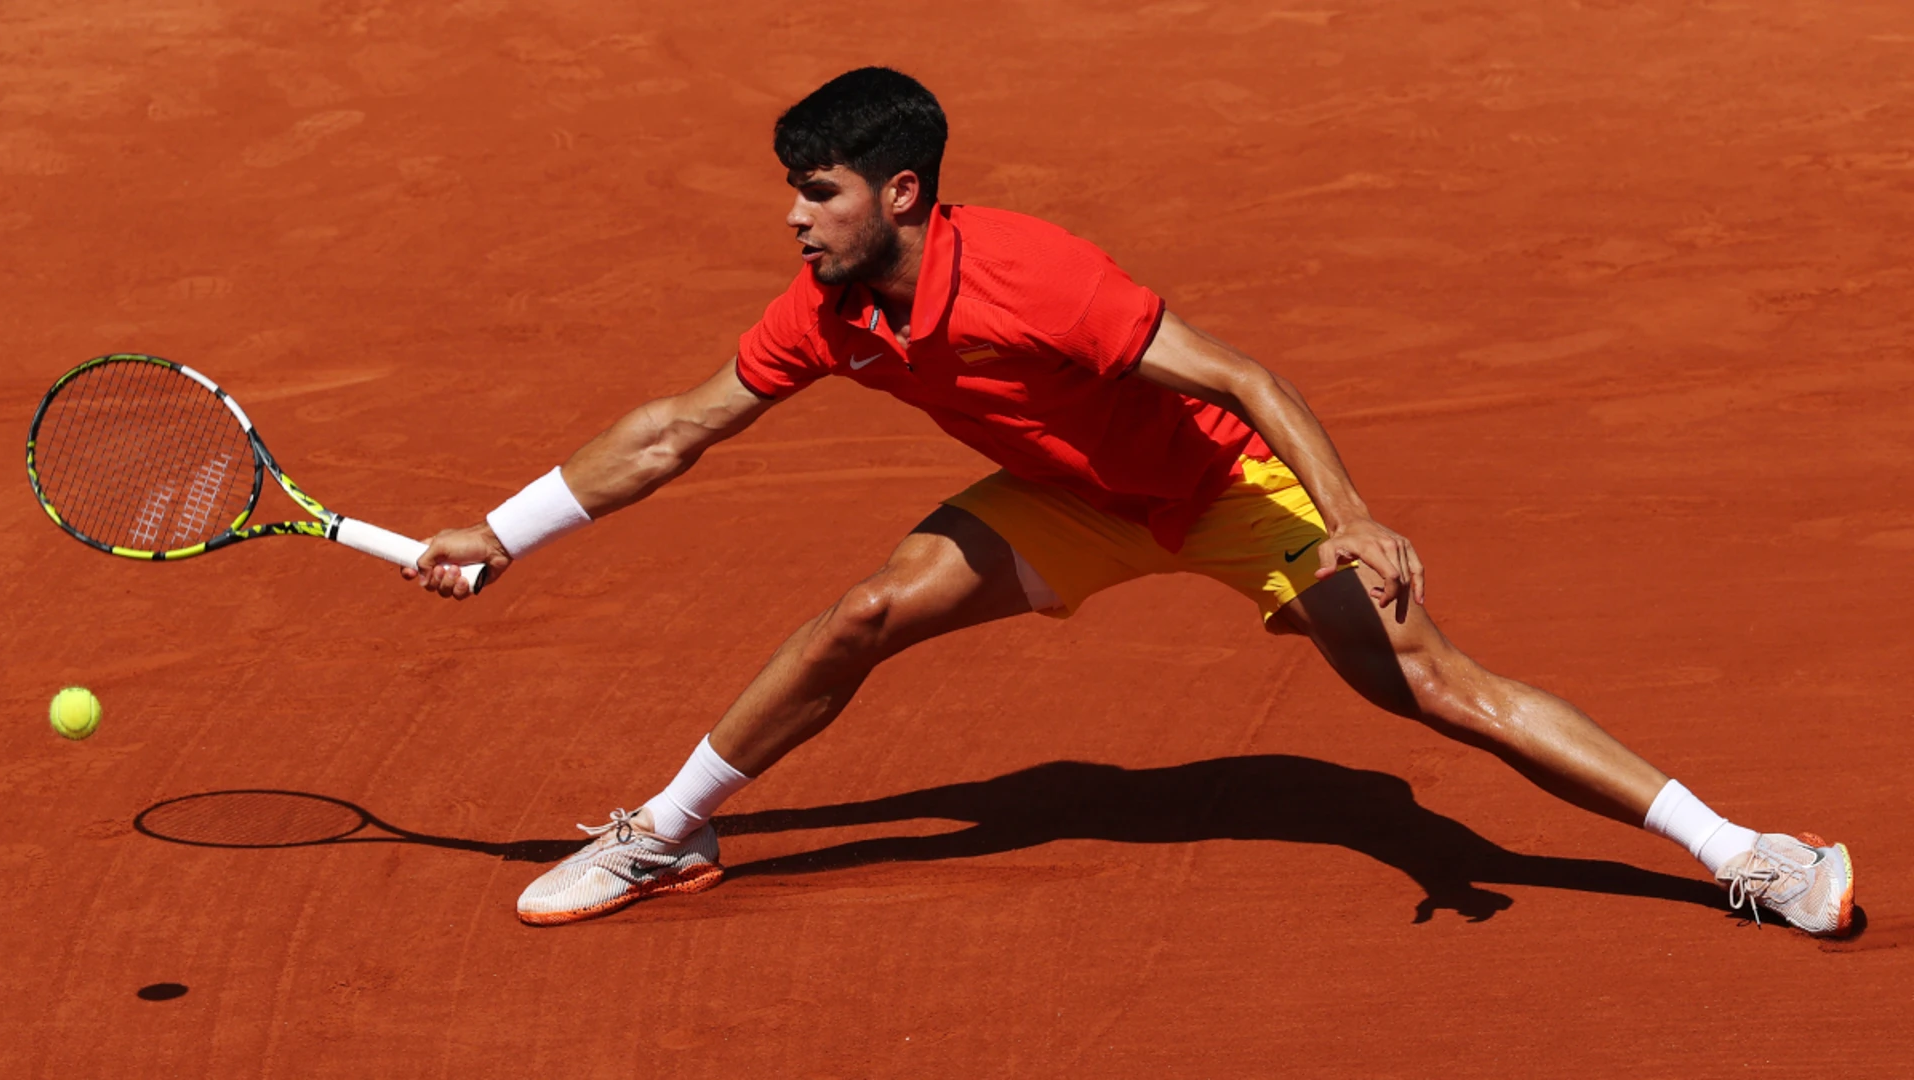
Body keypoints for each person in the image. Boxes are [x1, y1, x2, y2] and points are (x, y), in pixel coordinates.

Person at [408, 67, 1854, 935]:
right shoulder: (830, 308)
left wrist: (1346, 512)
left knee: (1436, 688)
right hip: (1067, 499)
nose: (796, 216)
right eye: (794, 190)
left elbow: (1246, 374)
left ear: (902, 195)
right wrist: (506, 528)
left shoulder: (1034, 276)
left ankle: (1751, 858)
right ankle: (670, 831)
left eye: (821, 192)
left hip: (1221, 487)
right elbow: (673, 431)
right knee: (859, 615)